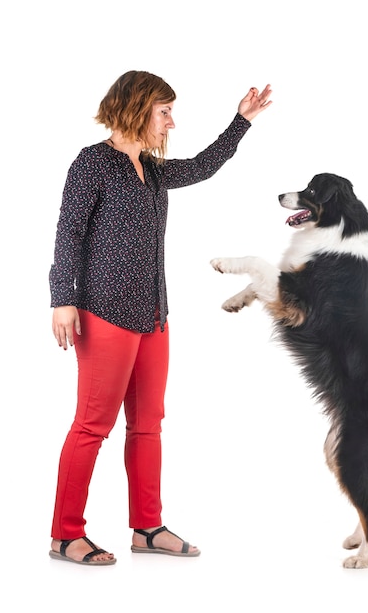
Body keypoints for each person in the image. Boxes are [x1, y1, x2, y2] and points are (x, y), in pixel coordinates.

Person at [48, 70, 272, 566]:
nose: (172, 122)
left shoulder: (153, 168)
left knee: (148, 424)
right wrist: (62, 298)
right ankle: (65, 534)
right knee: (92, 424)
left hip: (153, 314)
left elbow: (204, 165)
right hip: (104, 311)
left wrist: (241, 121)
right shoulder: (93, 164)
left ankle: (146, 528)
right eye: (164, 111)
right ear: (136, 108)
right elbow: (69, 234)